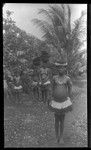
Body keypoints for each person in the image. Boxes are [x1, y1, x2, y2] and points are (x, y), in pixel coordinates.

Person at [49, 64, 72, 144]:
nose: (60, 69)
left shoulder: (67, 78)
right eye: (59, 68)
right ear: (57, 69)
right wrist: (51, 97)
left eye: (62, 67)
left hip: (64, 102)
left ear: (65, 68)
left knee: (62, 120)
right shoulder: (54, 78)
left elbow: (70, 87)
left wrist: (69, 96)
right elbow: (52, 87)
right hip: (55, 101)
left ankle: (61, 137)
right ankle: (56, 137)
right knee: (56, 120)